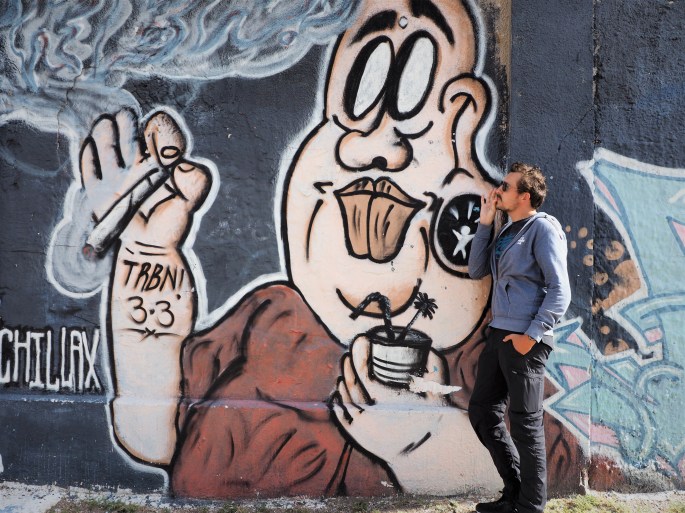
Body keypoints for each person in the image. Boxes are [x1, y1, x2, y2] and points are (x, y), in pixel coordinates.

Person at [467, 163, 571, 513]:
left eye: (506, 187)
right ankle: (514, 494)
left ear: (525, 196)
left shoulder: (542, 229)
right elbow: (476, 270)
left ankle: (531, 506)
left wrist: (532, 335)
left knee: (526, 424)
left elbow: (560, 290)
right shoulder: (507, 230)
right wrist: (485, 223)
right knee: (483, 411)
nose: (498, 190)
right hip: (500, 333)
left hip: (526, 338)